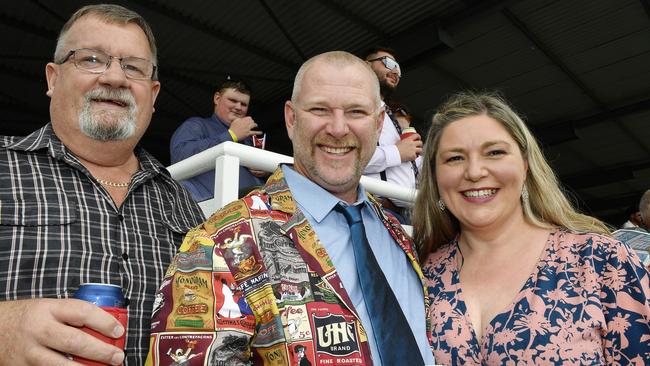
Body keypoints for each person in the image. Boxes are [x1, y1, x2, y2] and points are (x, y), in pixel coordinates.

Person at [146, 51, 434, 365]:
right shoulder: (220, 244)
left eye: (356, 111)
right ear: (292, 119)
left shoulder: (398, 235)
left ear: (378, 124)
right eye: (320, 109)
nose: (338, 129)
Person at [0, 4, 204, 365]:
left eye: (133, 67)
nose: (114, 78)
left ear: (153, 94)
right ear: (52, 78)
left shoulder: (183, 205)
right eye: (91, 59)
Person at [413, 91, 650, 364]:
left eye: (495, 152)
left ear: (525, 165)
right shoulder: (419, 274)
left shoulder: (600, 260)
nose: (475, 172)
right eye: (455, 158)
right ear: (435, 175)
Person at [170, 77, 266, 202]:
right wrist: (231, 135)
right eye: (233, 100)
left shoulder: (249, 139)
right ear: (217, 98)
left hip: (255, 209)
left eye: (244, 104)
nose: (238, 107)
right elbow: (180, 155)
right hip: (212, 210)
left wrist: (265, 170)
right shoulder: (197, 125)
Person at [362, 46, 423, 223]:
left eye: (398, 67)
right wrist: (397, 152)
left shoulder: (392, 117)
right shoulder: (356, 106)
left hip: (405, 217)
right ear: (366, 66)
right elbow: (347, 160)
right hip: (375, 211)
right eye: (388, 63)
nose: (395, 69)